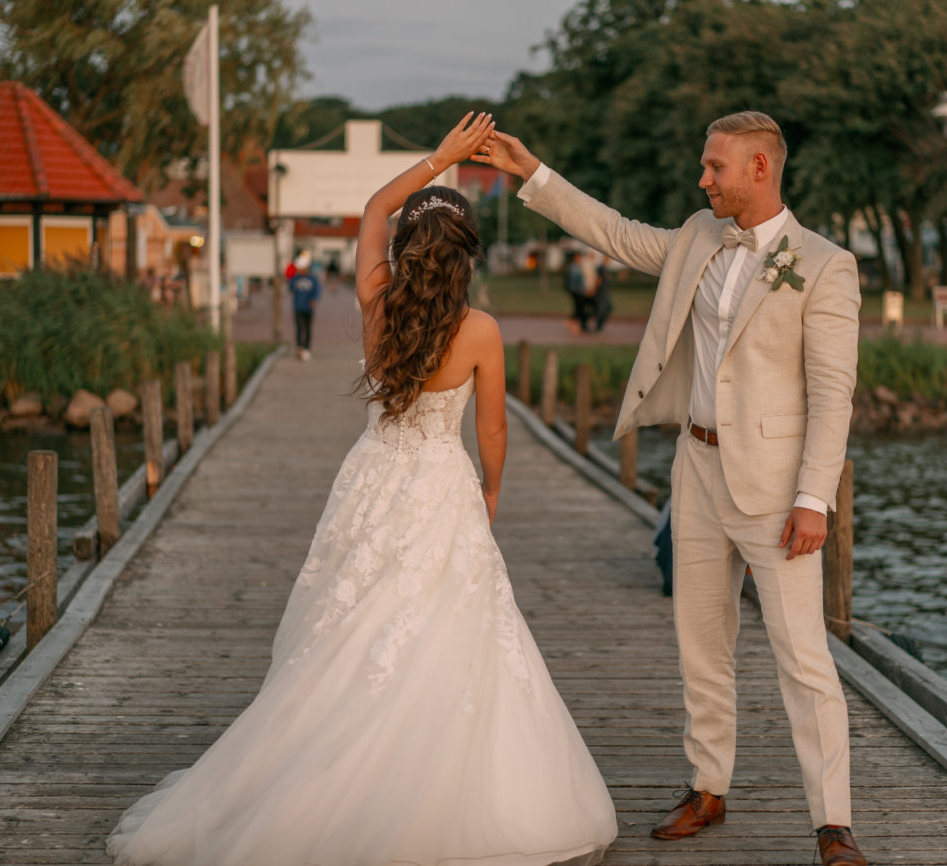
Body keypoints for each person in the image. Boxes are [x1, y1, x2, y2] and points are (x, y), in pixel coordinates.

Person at [105, 112, 616, 866]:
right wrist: (493, 493)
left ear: (408, 248)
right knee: (446, 616)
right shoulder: (482, 331)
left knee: (355, 613)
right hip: (442, 480)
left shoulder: (376, 298)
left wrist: (437, 161)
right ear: (468, 255)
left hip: (375, 476)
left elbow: (376, 208)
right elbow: (495, 432)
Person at [475, 111, 867, 866]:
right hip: (696, 466)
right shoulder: (695, 235)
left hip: (779, 490)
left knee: (804, 658)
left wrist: (815, 500)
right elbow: (617, 233)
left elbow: (832, 391)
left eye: (715, 167)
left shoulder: (824, 264)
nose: (703, 179)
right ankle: (708, 787)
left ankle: (834, 823)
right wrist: (533, 174)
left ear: (760, 168)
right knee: (701, 641)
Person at [288, 251, 320, 361]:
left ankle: (306, 347)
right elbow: (290, 287)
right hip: (298, 307)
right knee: (299, 327)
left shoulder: (312, 278)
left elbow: (317, 290)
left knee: (307, 328)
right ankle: (299, 347)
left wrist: (314, 299)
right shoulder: (295, 279)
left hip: (308, 308)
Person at [564, 250, 592, 334]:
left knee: (579, 309)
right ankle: (575, 325)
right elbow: (576, 281)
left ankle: (577, 325)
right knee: (579, 308)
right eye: (578, 257)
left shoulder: (578, 266)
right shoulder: (574, 267)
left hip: (578, 291)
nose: (579, 258)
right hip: (576, 291)